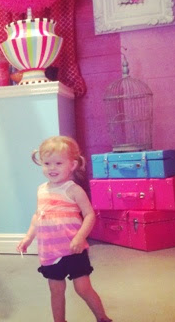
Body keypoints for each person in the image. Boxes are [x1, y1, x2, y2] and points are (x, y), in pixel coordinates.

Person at [17, 136, 112, 322]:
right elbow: (38, 215)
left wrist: (79, 237)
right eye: (47, 163)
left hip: (73, 250)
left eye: (58, 163)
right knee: (56, 290)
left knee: (83, 288)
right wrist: (28, 237)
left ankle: (102, 318)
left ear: (72, 165)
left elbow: (89, 215)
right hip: (50, 251)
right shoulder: (41, 190)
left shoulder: (73, 190)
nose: (52, 168)